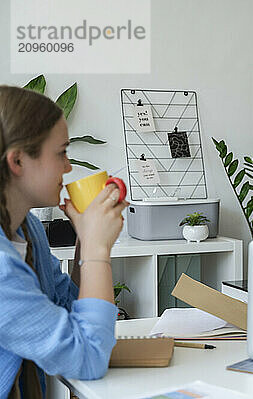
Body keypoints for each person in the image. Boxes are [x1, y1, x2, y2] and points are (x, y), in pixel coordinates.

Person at [0, 86, 128, 398]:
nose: (68, 167)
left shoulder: (26, 228)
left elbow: (69, 307)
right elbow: (88, 358)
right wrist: (99, 250)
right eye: (61, 152)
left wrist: (87, 240)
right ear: (17, 161)